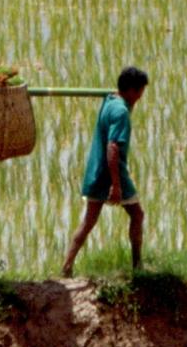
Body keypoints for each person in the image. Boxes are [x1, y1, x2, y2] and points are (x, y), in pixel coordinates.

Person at [61, 66, 149, 277]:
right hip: (112, 172)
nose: (139, 97)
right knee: (137, 215)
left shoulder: (109, 101)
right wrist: (116, 186)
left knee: (89, 221)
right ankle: (137, 265)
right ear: (130, 90)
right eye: (139, 92)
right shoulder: (120, 112)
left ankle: (67, 266)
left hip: (96, 172)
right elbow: (112, 148)